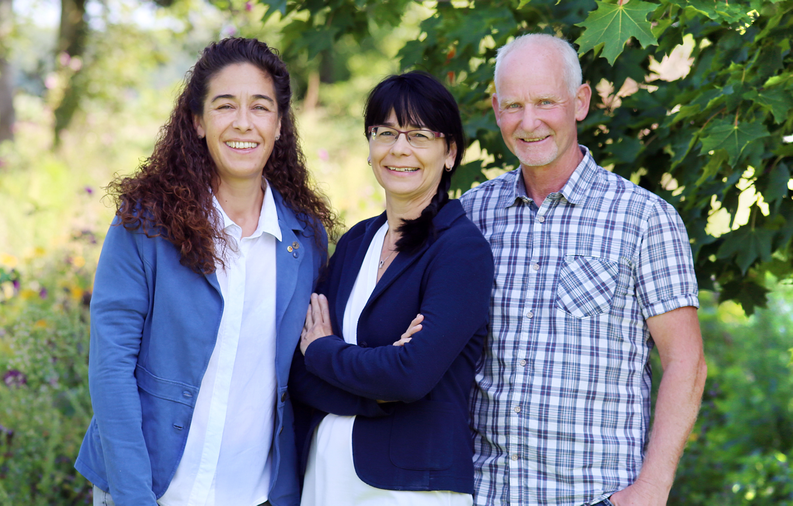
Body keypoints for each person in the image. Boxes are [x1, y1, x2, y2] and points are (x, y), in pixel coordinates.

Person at [75, 37, 337, 506]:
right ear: (197, 121)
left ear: (279, 125)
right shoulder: (146, 222)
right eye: (224, 106)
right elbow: (111, 369)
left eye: (260, 107)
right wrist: (134, 497)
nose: (243, 123)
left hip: (256, 495)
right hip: (149, 489)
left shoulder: (305, 240)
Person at [460, 33, 708, 506]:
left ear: (580, 102)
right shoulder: (473, 215)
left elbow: (686, 363)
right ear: (496, 109)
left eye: (545, 102)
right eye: (513, 105)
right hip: (482, 492)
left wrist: (652, 489)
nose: (528, 122)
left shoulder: (644, 219)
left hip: (593, 496)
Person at [289, 71, 494, 505]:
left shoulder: (460, 250)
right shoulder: (355, 242)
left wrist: (324, 351)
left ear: (450, 152)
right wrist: (376, 386)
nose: (399, 149)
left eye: (418, 134)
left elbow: (410, 375)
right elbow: (297, 373)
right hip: (325, 477)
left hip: (410, 489)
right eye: (385, 132)